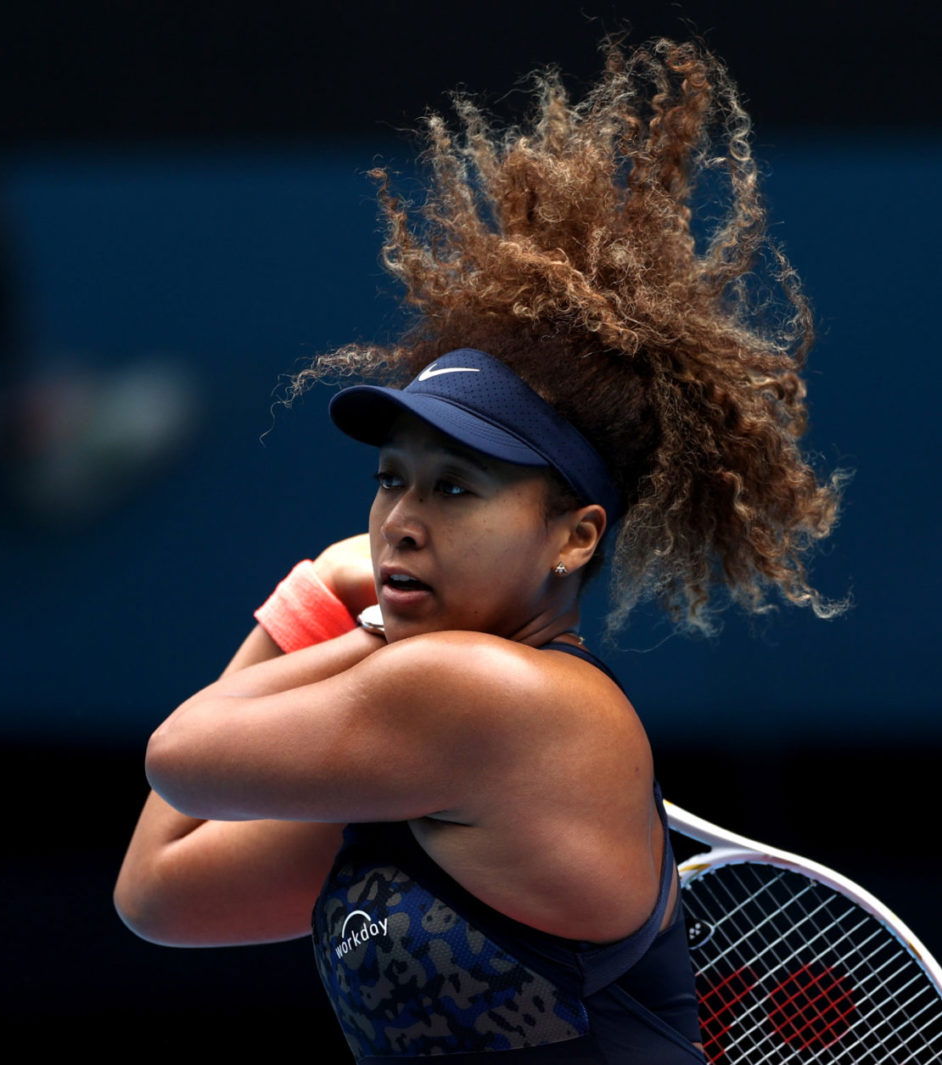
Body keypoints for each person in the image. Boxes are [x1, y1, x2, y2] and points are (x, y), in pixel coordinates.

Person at [115, 38, 843, 1063]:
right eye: (392, 480)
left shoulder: (488, 696)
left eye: (455, 488)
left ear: (574, 536)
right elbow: (158, 889)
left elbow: (179, 755)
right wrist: (336, 602)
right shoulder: (422, 753)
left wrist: (347, 607)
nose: (402, 519)